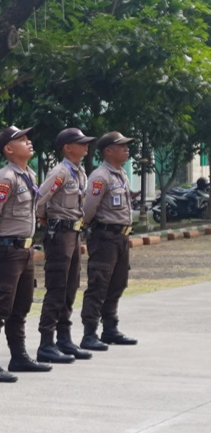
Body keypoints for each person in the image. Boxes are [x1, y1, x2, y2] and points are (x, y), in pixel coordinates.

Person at [0, 125, 49, 381]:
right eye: (21, 139)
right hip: (7, 249)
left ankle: (18, 356)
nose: (28, 142)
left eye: (28, 138)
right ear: (8, 149)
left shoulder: (28, 174)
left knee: (21, 306)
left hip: (25, 250)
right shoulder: (6, 177)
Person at [33, 127, 96, 363]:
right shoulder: (60, 172)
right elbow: (41, 198)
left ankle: (64, 338)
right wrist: (43, 219)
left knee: (71, 287)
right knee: (57, 288)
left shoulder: (79, 172)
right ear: (68, 147)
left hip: (73, 233)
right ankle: (46, 342)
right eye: (81, 143)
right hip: (59, 233)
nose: (86, 146)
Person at [80, 131, 140, 348]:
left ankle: (110, 328)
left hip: (121, 238)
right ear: (108, 151)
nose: (127, 149)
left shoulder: (120, 173)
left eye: (127, 145)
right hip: (105, 236)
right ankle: (89, 333)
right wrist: (89, 229)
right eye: (122, 145)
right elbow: (88, 209)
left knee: (117, 283)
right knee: (99, 284)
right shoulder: (100, 176)